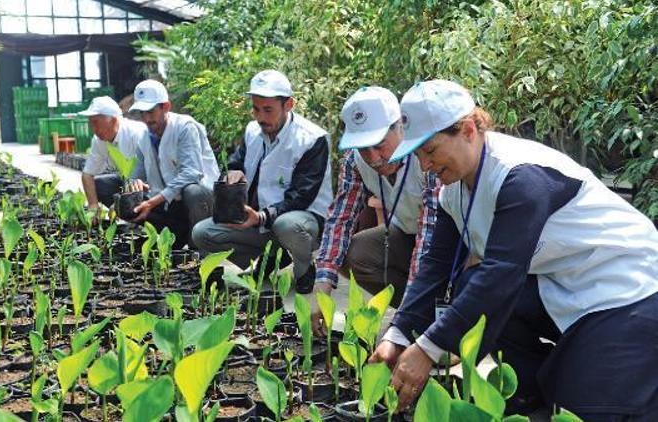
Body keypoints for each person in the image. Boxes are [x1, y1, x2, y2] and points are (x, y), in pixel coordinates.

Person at [370, 79, 658, 420]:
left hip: (626, 289)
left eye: (430, 151)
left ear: (467, 129)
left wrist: (428, 349)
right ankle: (538, 384)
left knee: (581, 410)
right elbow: (435, 267)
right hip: (565, 285)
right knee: (470, 285)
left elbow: (501, 274)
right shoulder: (453, 192)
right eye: (418, 155)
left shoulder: (520, 175)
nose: (425, 166)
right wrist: (398, 334)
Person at [311, 86, 440, 336]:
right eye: (363, 148)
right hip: (404, 233)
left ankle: (432, 317)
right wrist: (322, 288)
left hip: (447, 242)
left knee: (439, 265)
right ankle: (420, 315)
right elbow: (340, 220)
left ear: (401, 126)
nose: (373, 158)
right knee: (357, 252)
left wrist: (399, 326)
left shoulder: (427, 157)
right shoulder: (354, 162)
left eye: (379, 145)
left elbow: (428, 241)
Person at [192, 70, 332, 293]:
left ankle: (304, 268)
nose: (260, 117)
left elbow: (301, 196)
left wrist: (261, 217)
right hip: (258, 218)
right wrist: (234, 173)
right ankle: (270, 258)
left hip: (304, 218)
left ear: (289, 105)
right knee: (202, 233)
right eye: (256, 109)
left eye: (268, 110)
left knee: (286, 225)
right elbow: (236, 161)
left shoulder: (312, 139)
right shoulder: (252, 131)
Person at [127, 80, 220, 248]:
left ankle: (199, 249)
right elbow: (135, 175)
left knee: (193, 191)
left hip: (201, 204)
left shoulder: (185, 127)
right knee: (126, 200)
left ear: (166, 107)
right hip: (170, 205)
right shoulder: (144, 137)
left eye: (151, 111)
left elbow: (192, 173)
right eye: (142, 113)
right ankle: (174, 237)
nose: (147, 118)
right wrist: (135, 184)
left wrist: (153, 202)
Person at [80, 96, 146, 211]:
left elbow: (143, 178)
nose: (93, 129)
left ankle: (129, 213)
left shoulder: (136, 134)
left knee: (132, 193)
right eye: (91, 123)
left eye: (96, 123)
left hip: (146, 185)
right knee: (98, 185)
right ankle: (124, 211)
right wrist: (93, 204)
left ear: (114, 120)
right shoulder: (99, 139)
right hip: (126, 183)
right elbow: (87, 175)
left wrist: (119, 203)